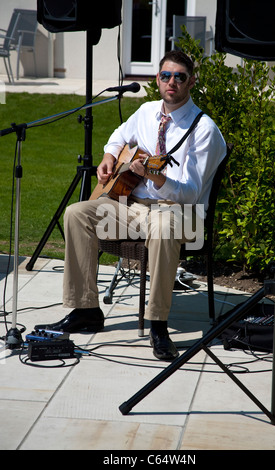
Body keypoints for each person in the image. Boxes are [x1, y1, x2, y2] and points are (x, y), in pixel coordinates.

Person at [35, 50, 226, 361]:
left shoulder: (204, 130)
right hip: (136, 207)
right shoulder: (148, 112)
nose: (172, 82)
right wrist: (109, 157)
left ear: (191, 81)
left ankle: (158, 323)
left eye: (179, 77)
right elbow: (118, 136)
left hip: (184, 215)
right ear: (157, 80)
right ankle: (85, 310)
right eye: (166, 76)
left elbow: (190, 194)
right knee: (77, 214)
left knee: (164, 225)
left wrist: (155, 176)